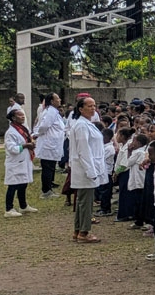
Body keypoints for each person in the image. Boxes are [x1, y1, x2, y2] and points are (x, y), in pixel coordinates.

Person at [67, 96, 107, 244]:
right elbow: (84, 151)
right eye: (89, 106)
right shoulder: (81, 126)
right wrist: (91, 171)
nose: (93, 108)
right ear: (81, 109)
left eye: (94, 106)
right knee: (86, 202)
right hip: (86, 169)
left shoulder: (85, 124)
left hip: (87, 167)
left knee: (82, 201)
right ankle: (84, 232)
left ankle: (78, 230)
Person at [2, 108, 38, 217]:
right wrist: (26, 145)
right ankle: (9, 209)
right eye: (20, 115)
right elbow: (12, 148)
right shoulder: (10, 132)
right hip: (15, 161)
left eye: (23, 115)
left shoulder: (22, 129)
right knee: (13, 185)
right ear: (13, 118)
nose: (23, 117)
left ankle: (23, 206)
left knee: (23, 183)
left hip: (23, 160)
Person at [33, 93, 66, 198]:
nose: (60, 100)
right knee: (47, 168)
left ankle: (49, 188)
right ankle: (46, 191)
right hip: (49, 144)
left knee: (50, 167)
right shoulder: (50, 111)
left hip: (52, 144)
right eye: (57, 98)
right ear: (52, 101)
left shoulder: (53, 111)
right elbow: (44, 126)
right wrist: (36, 134)